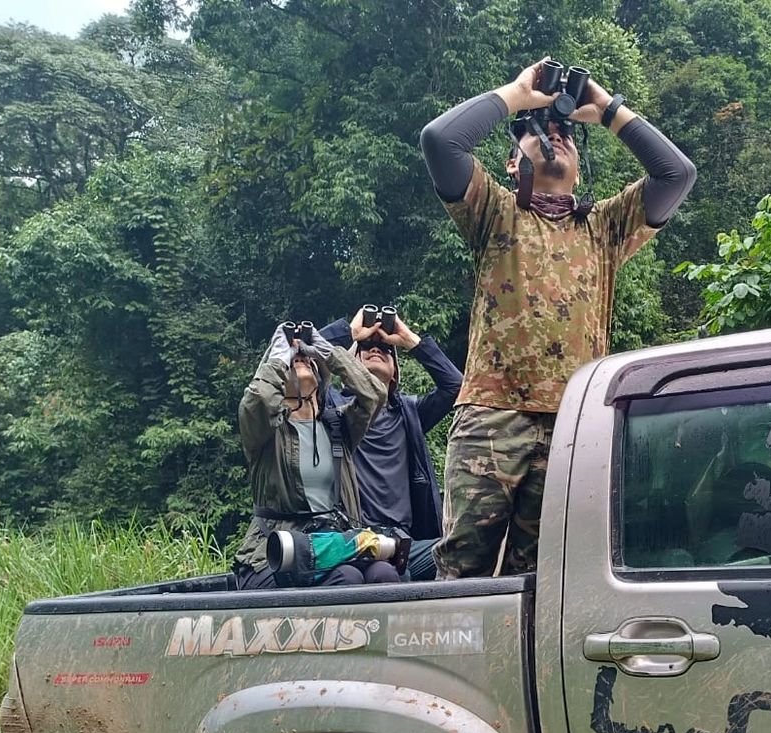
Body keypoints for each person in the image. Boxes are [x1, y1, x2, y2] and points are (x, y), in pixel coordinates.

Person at [419, 58, 697, 578]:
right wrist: (519, 96)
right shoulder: (495, 211)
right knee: (463, 572)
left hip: (574, 426)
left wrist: (608, 107)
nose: (555, 136)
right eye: (538, 133)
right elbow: (440, 141)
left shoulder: (606, 226)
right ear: (510, 164)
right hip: (491, 416)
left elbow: (676, 174)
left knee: (547, 581)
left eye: (564, 132)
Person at [232, 321, 398, 588]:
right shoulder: (266, 431)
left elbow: (374, 394)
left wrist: (327, 351)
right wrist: (278, 355)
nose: (300, 359)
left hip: (332, 545)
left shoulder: (337, 427)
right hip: (274, 554)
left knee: (384, 574)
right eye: (291, 361)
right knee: (348, 577)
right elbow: (259, 399)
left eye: (307, 361)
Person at [319, 308, 463, 581]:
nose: (376, 348)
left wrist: (410, 340)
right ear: (349, 365)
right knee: (393, 575)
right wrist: (350, 333)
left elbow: (455, 387)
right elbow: (305, 359)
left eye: (384, 349)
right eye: (366, 347)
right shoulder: (333, 409)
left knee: (462, 553)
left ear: (395, 373)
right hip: (355, 538)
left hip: (403, 540)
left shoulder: (410, 414)